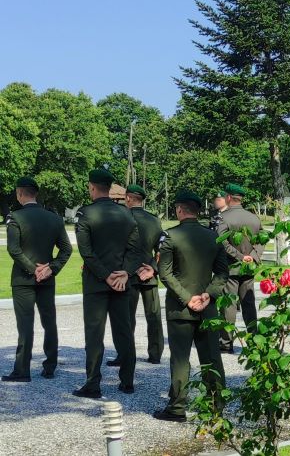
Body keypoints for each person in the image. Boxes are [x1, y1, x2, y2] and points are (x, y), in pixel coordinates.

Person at [153, 190, 229, 422]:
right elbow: (222, 273)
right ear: (197, 211)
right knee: (212, 357)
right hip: (207, 307)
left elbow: (165, 273)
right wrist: (207, 294)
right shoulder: (213, 236)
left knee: (180, 359)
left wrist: (187, 298)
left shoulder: (171, 236)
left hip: (181, 309)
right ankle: (216, 405)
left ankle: (177, 407)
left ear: (179, 210)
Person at [73, 169, 143, 398]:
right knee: (124, 333)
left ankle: (92, 383)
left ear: (92, 187)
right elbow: (135, 249)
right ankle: (127, 381)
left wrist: (105, 275)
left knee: (94, 335)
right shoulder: (126, 214)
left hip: (96, 283)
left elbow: (86, 252)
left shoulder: (85, 213)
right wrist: (124, 273)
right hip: (121, 283)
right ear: (110, 188)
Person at [3, 177, 72, 382]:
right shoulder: (54, 218)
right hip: (47, 279)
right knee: (49, 322)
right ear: (36, 194)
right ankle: (50, 367)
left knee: (25, 324)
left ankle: (22, 370)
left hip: (23, 280)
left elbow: (14, 250)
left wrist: (33, 270)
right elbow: (66, 249)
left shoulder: (15, 217)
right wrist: (51, 268)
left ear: (19, 194)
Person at [107, 184, 164, 366]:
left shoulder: (122, 218)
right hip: (149, 273)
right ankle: (155, 354)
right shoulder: (154, 220)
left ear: (128, 198)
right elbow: (161, 250)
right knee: (153, 316)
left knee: (125, 318)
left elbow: (115, 249)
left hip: (127, 274)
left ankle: (125, 354)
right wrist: (153, 268)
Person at [216, 183, 264, 352]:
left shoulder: (223, 218)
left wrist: (239, 256)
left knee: (228, 305)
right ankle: (253, 341)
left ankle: (226, 342)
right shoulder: (254, 218)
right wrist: (253, 256)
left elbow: (221, 241)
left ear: (228, 197)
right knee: (249, 304)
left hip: (231, 266)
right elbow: (262, 239)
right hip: (249, 266)